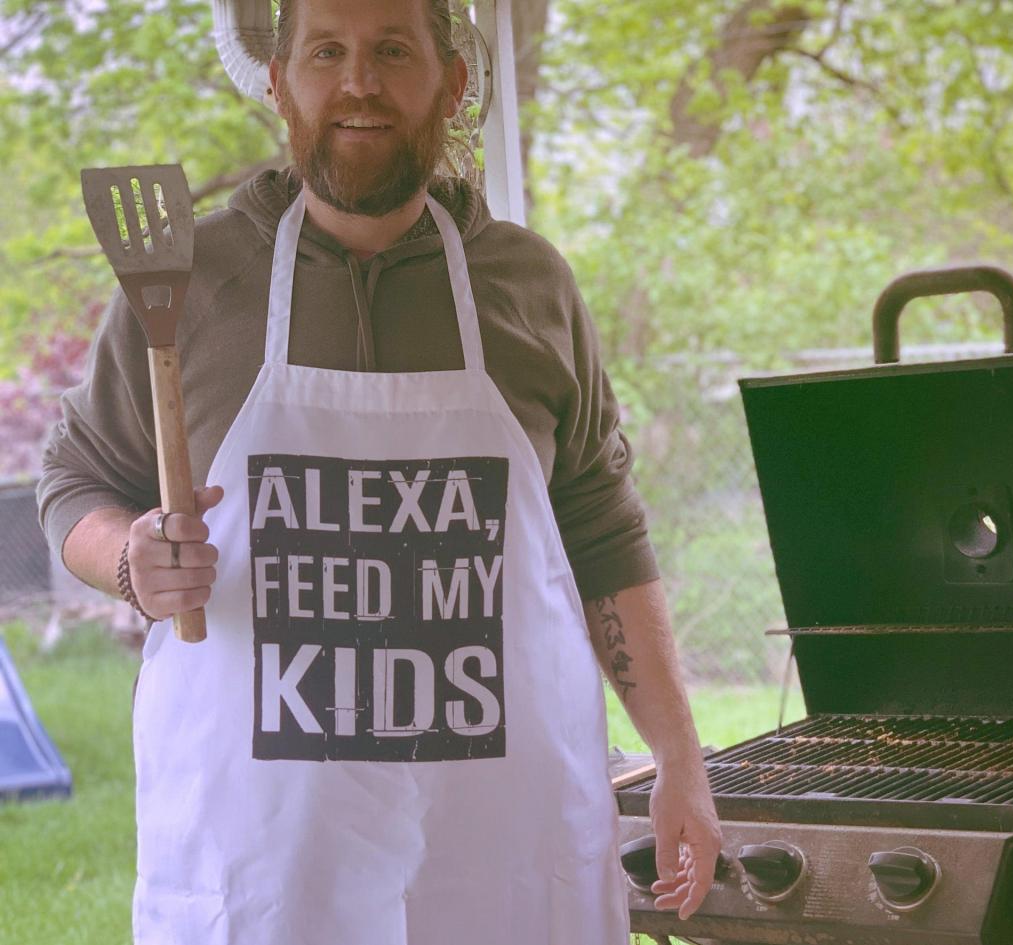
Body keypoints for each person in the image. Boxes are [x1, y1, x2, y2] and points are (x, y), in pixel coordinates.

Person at [37, 0, 721, 942]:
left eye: (393, 50)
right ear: (281, 84)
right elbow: (75, 479)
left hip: (501, 856)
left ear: (454, 81)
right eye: (327, 52)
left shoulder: (529, 285)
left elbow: (602, 527)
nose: (358, 82)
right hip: (266, 862)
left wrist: (678, 754)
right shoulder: (188, 280)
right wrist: (130, 560)